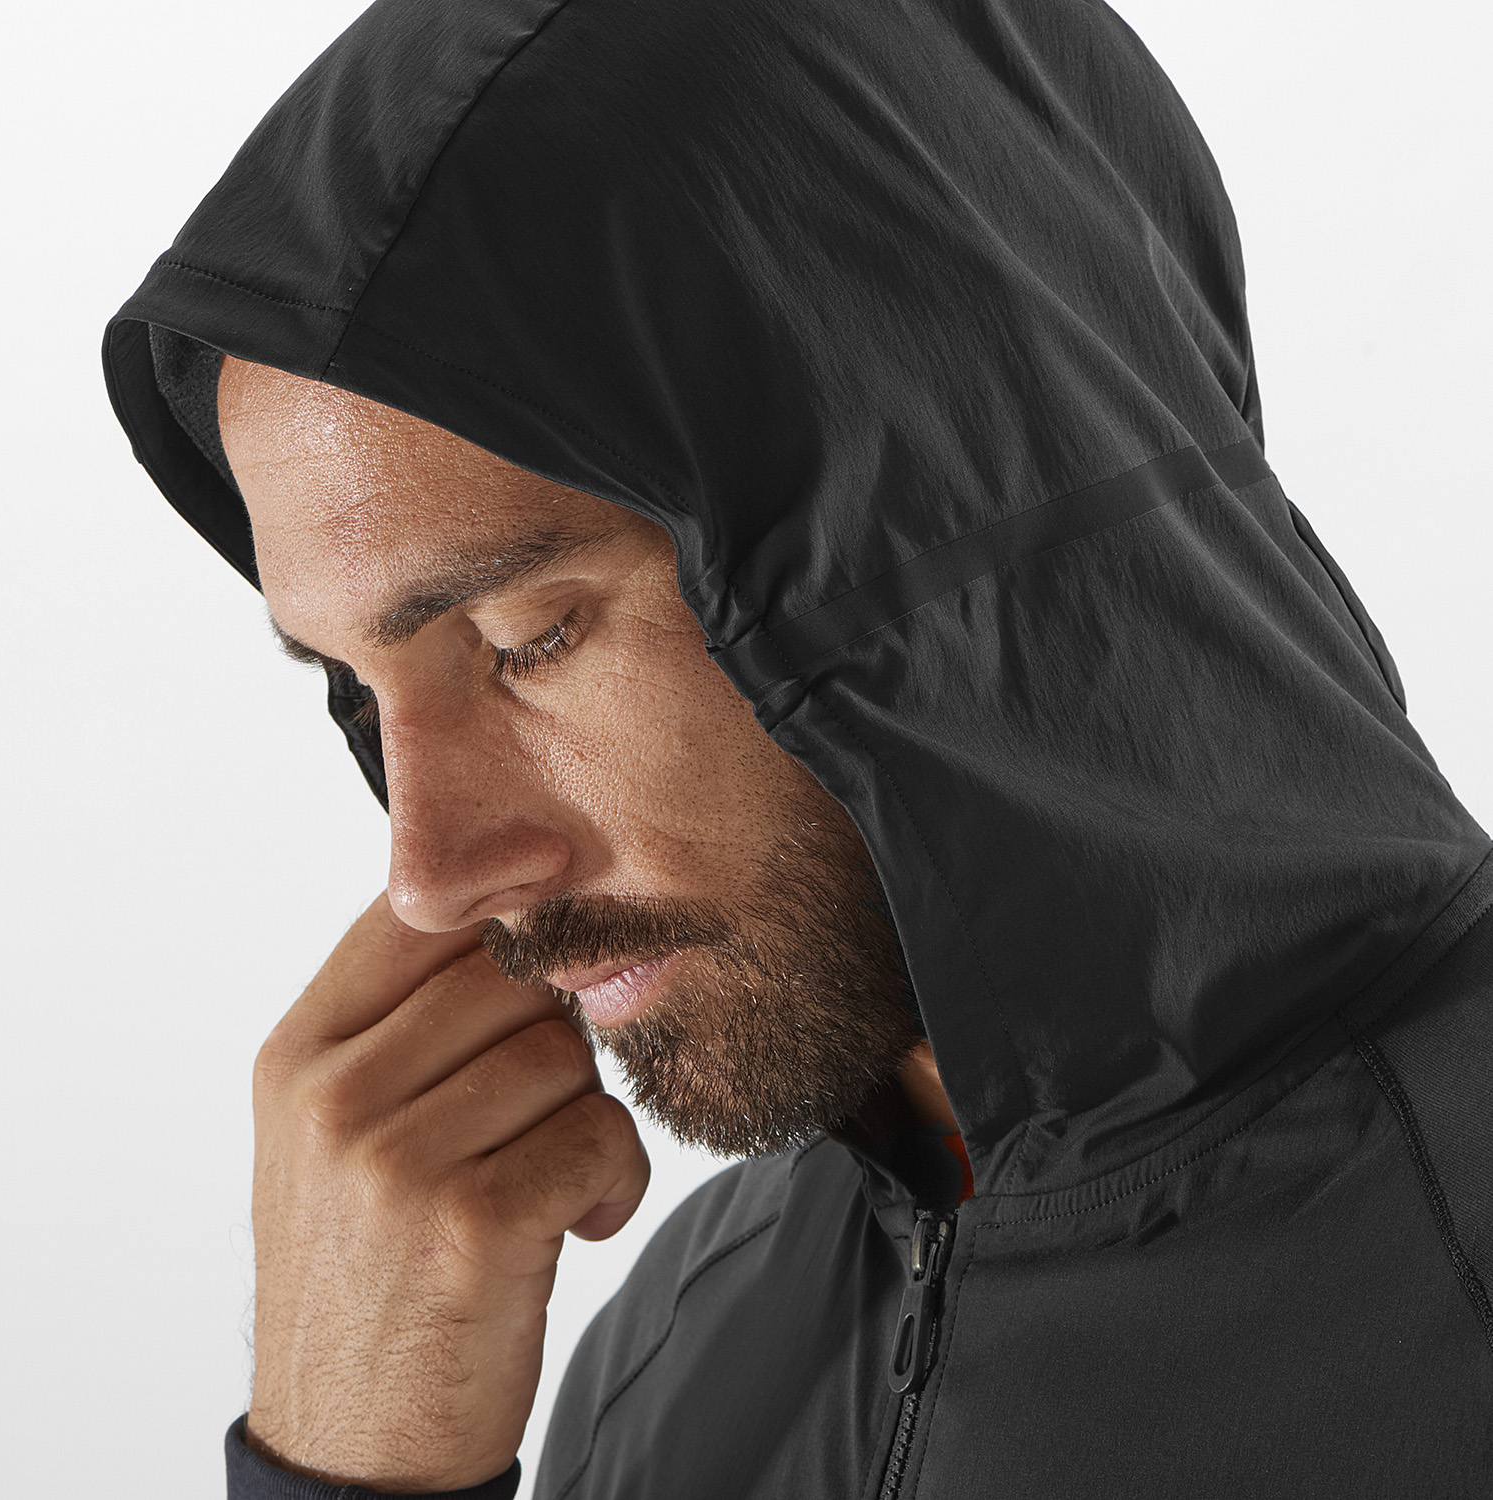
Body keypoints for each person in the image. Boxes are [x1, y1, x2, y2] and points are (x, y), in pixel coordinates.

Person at [102, 0, 1493, 1495]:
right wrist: (352, 1470)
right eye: (359, 691)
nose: (430, 874)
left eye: (527, 639)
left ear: (933, 503)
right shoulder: (671, 1356)